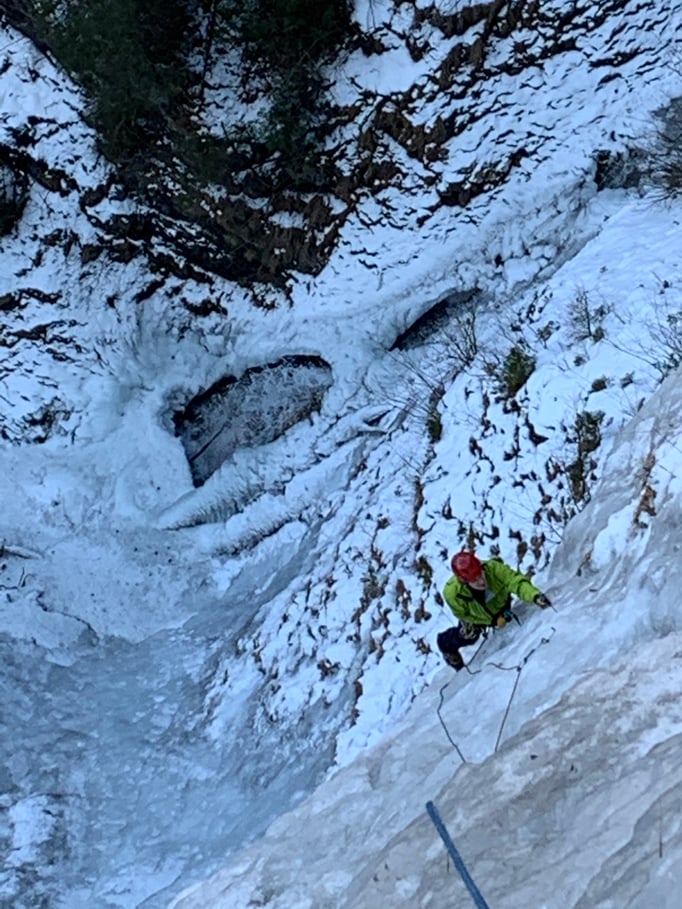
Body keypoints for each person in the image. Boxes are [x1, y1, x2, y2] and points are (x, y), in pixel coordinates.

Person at [437, 550, 551, 671]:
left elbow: (515, 581)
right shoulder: (453, 594)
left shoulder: (494, 569)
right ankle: (447, 647)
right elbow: (464, 615)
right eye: (474, 580)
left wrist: (534, 596)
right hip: (477, 618)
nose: (481, 581)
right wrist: (491, 621)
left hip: (501, 605)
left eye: (480, 574)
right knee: (469, 637)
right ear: (464, 581)